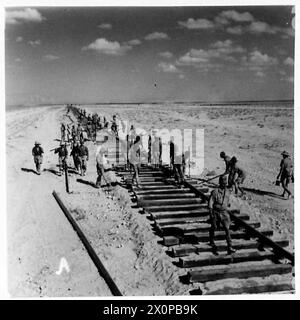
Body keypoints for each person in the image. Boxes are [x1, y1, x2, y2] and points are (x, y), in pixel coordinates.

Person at [208, 175, 236, 255]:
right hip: (216, 212)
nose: (225, 184)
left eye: (225, 183)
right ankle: (211, 241)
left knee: (227, 229)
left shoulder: (228, 191)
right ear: (220, 183)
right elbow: (211, 201)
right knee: (214, 227)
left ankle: (230, 246)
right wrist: (211, 212)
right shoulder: (215, 191)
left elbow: (227, 200)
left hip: (224, 213)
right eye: (223, 183)